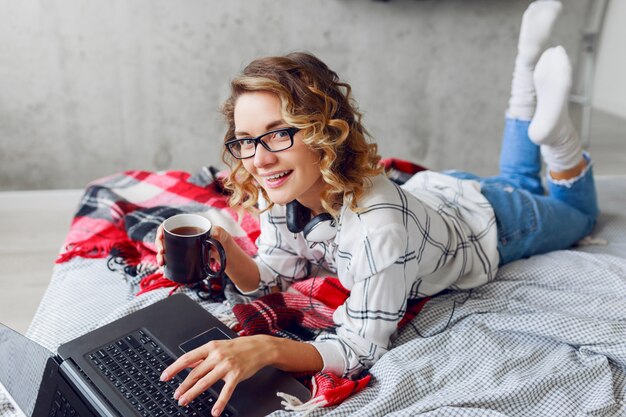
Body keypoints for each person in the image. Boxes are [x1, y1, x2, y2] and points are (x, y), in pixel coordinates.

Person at [156, 1, 598, 415]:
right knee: (518, 180)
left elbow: (358, 351)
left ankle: (556, 138)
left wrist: (268, 348)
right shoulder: (284, 190)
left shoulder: (376, 231)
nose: (259, 159)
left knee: (579, 213)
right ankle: (525, 67)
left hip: (496, 222)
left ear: (324, 132)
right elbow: (274, 275)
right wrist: (223, 246)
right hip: (437, 196)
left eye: (278, 134)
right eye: (246, 141)